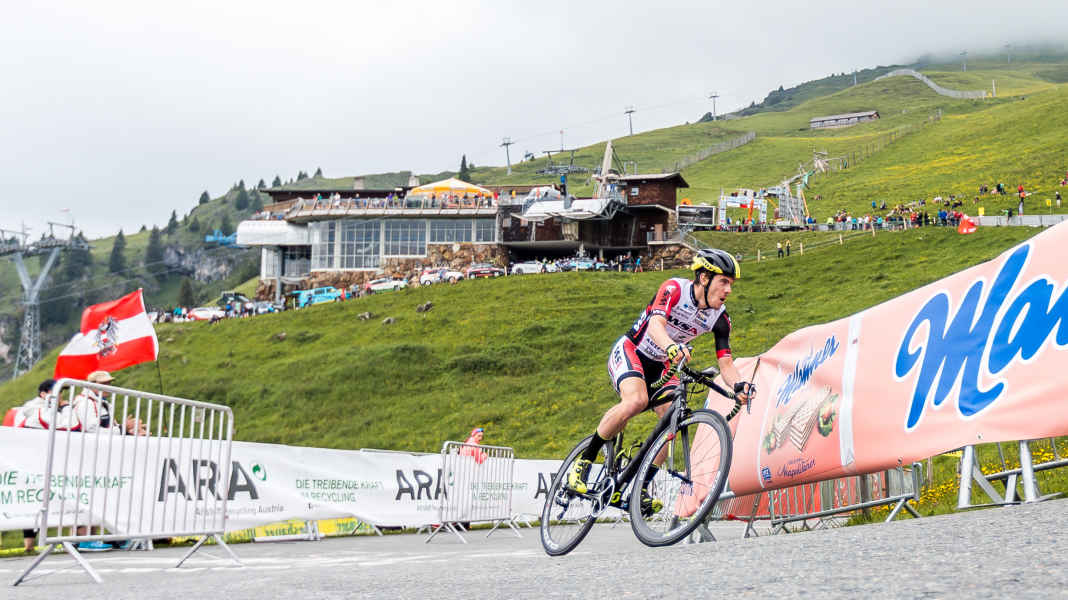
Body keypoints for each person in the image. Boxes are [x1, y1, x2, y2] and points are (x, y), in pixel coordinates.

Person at [567, 249, 754, 514]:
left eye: (731, 284)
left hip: (663, 364)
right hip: (633, 350)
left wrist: (738, 385)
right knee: (636, 400)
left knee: (672, 420)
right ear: (703, 278)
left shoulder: (720, 318)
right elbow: (656, 325)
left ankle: (640, 488)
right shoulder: (674, 289)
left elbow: (726, 362)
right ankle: (583, 464)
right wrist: (671, 347)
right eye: (724, 281)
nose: (729, 290)